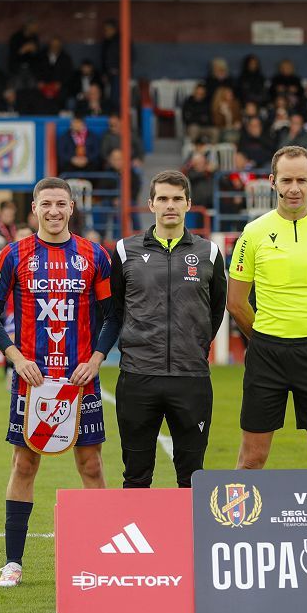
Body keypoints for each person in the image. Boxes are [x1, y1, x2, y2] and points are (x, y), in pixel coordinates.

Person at [0, 177, 112, 588]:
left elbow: (112, 316)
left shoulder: (95, 256)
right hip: (32, 381)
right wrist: (17, 358)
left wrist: (95, 359)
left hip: (80, 379)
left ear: (71, 207)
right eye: (46, 204)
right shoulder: (12, 254)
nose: (54, 211)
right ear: (34, 209)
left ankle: (101, 554)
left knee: (91, 464)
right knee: (25, 462)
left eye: (61, 204)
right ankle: (13, 563)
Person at [95, 171, 227, 488]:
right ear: (151, 204)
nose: (170, 205)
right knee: (136, 476)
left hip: (191, 378)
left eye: (177, 199)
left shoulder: (209, 253)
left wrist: (192, 345)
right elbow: (116, 310)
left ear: (188, 204)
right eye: (163, 199)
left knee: (193, 477)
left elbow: (216, 310)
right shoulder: (126, 250)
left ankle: (189, 539)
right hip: (138, 378)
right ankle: (140, 538)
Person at [227, 146, 307, 470]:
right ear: (272, 182)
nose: (293, 188)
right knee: (252, 459)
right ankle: (241, 521)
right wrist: (265, 337)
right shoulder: (253, 233)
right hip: (266, 353)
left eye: (301, 179)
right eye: (286, 180)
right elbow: (236, 302)